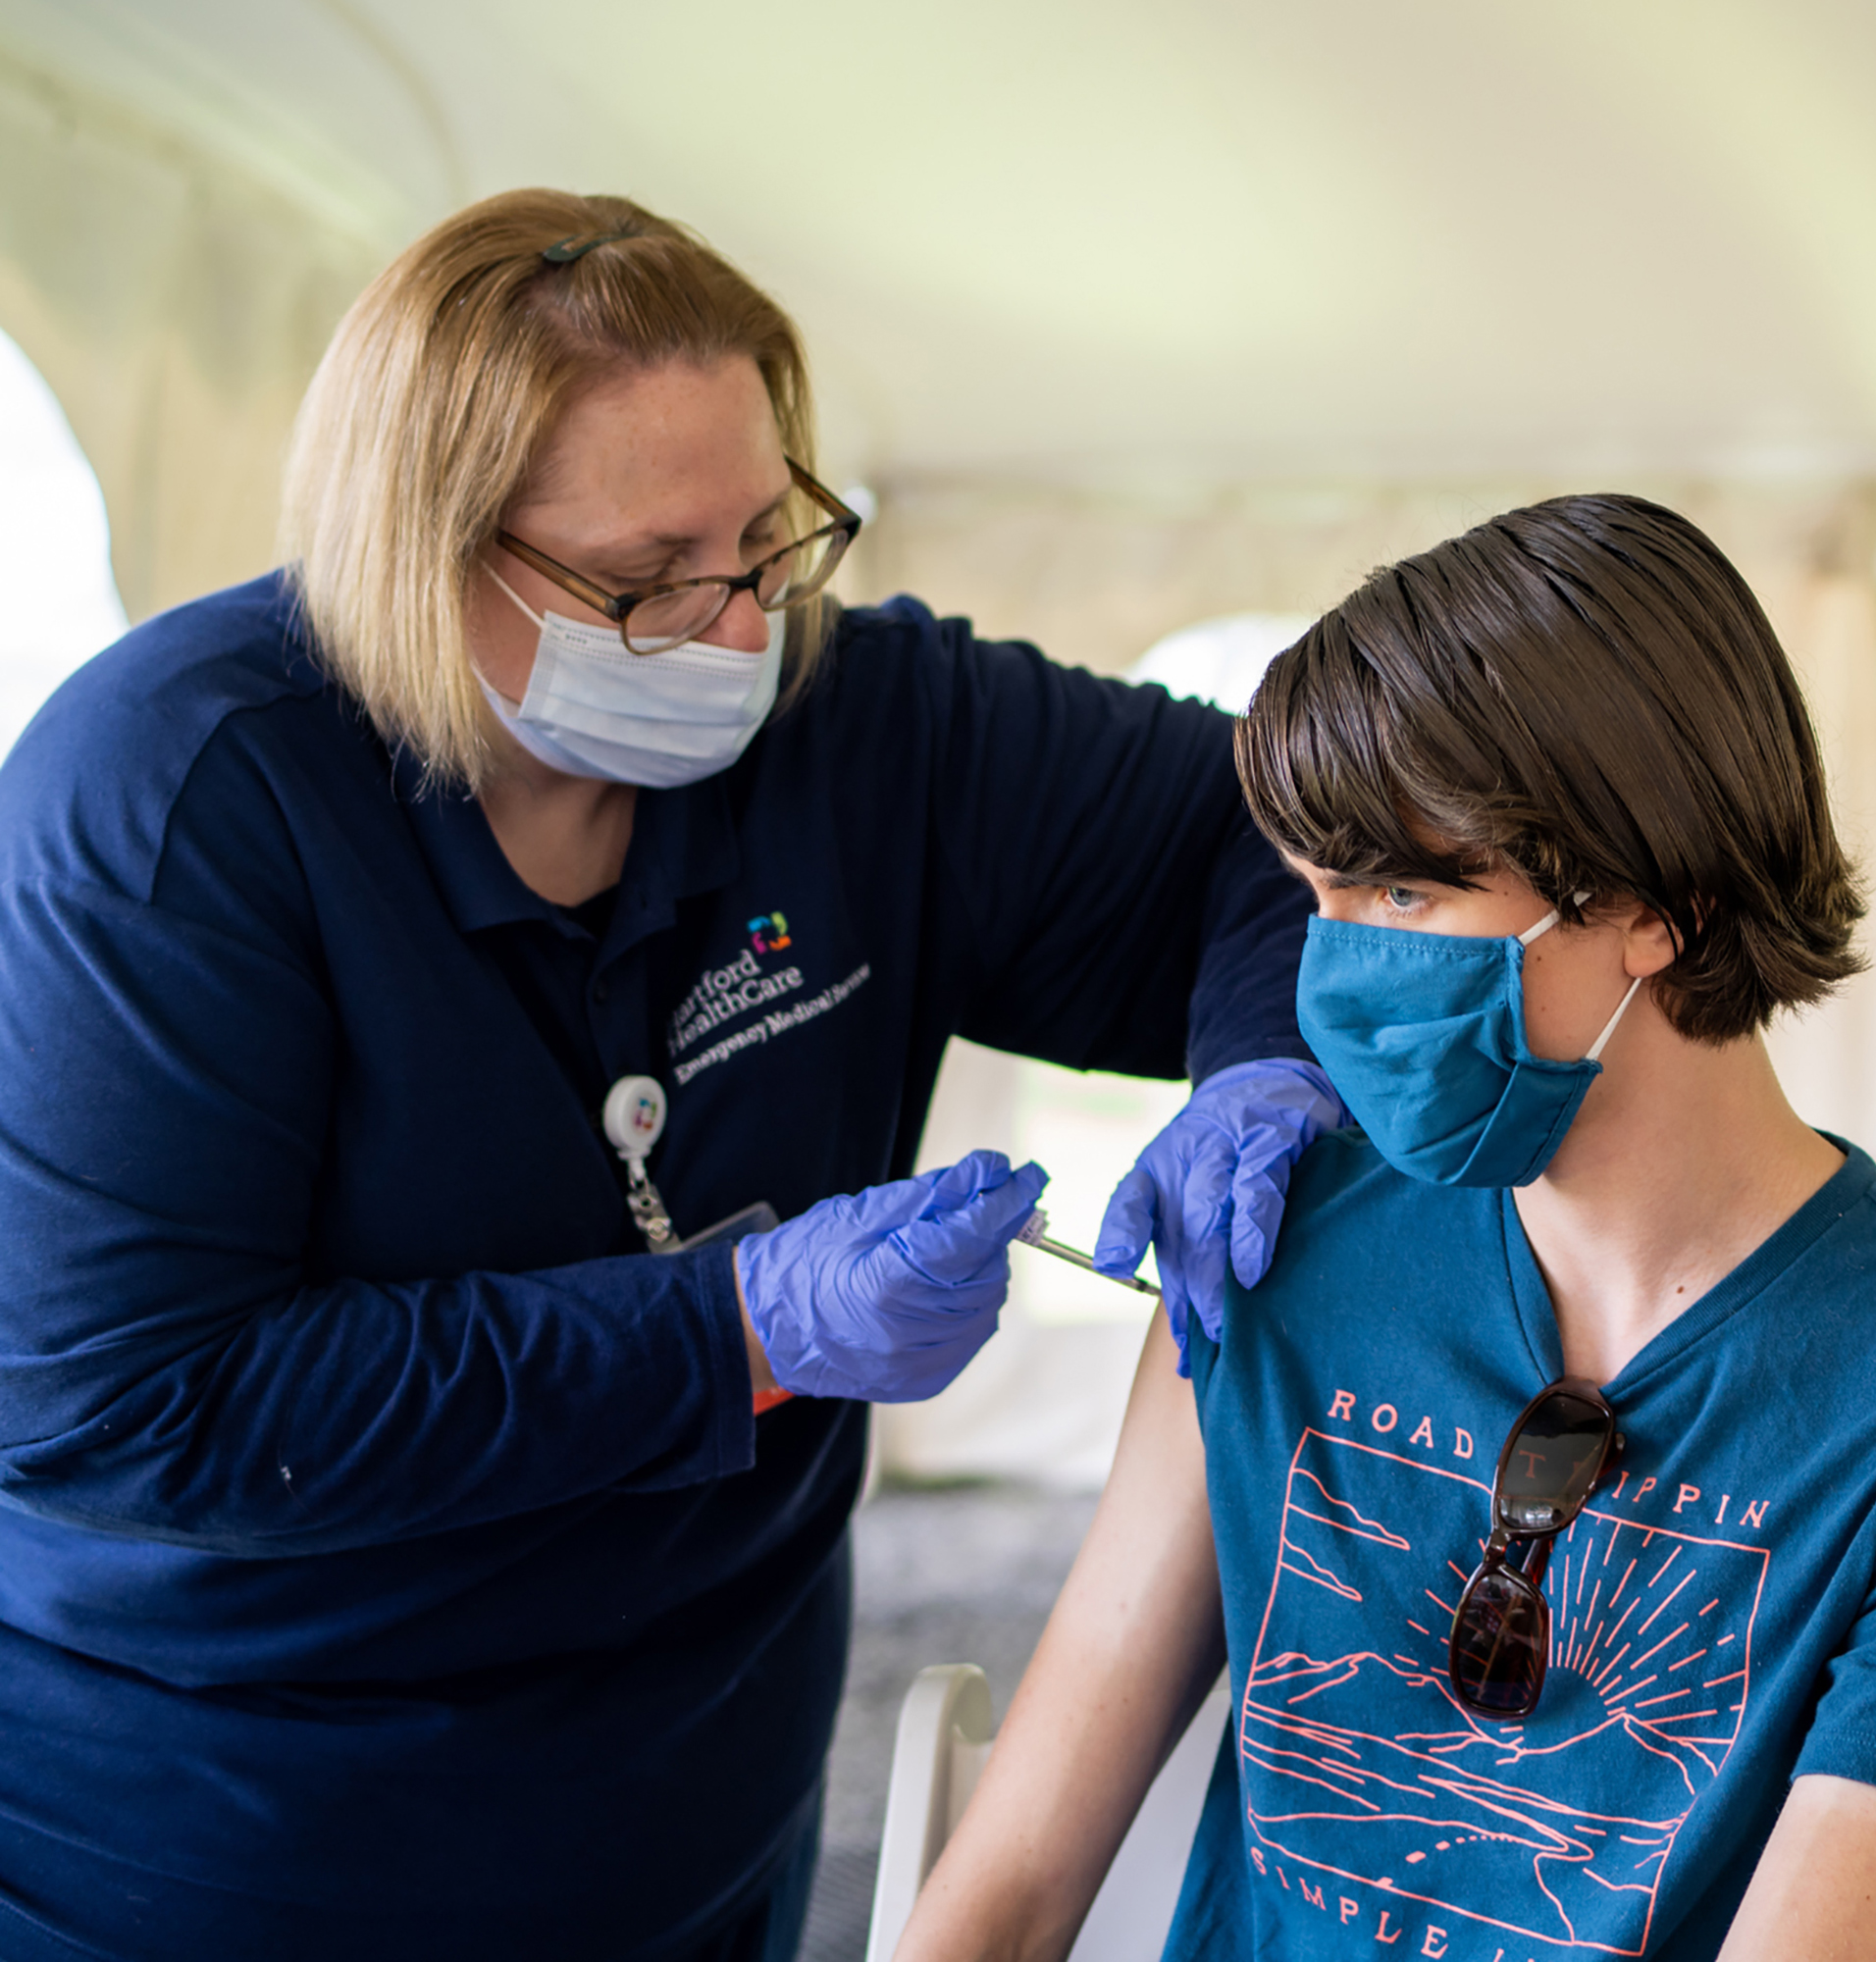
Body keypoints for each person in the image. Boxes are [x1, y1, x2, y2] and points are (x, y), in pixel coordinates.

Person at [0, 189, 1339, 1962]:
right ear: (422, 552)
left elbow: (1275, 826)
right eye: (642, 587)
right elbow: (122, 1406)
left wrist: (1260, 1066)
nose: (734, 638)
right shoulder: (174, 804)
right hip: (239, 1833)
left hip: (707, 1802)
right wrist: (734, 1332)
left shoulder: (864, 725)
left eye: (768, 545)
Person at [896, 493, 1876, 1962]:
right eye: (1315, 898)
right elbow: (1015, 1880)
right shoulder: (1264, 1248)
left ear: (1663, 900)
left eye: (1403, 889)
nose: (1334, 967)